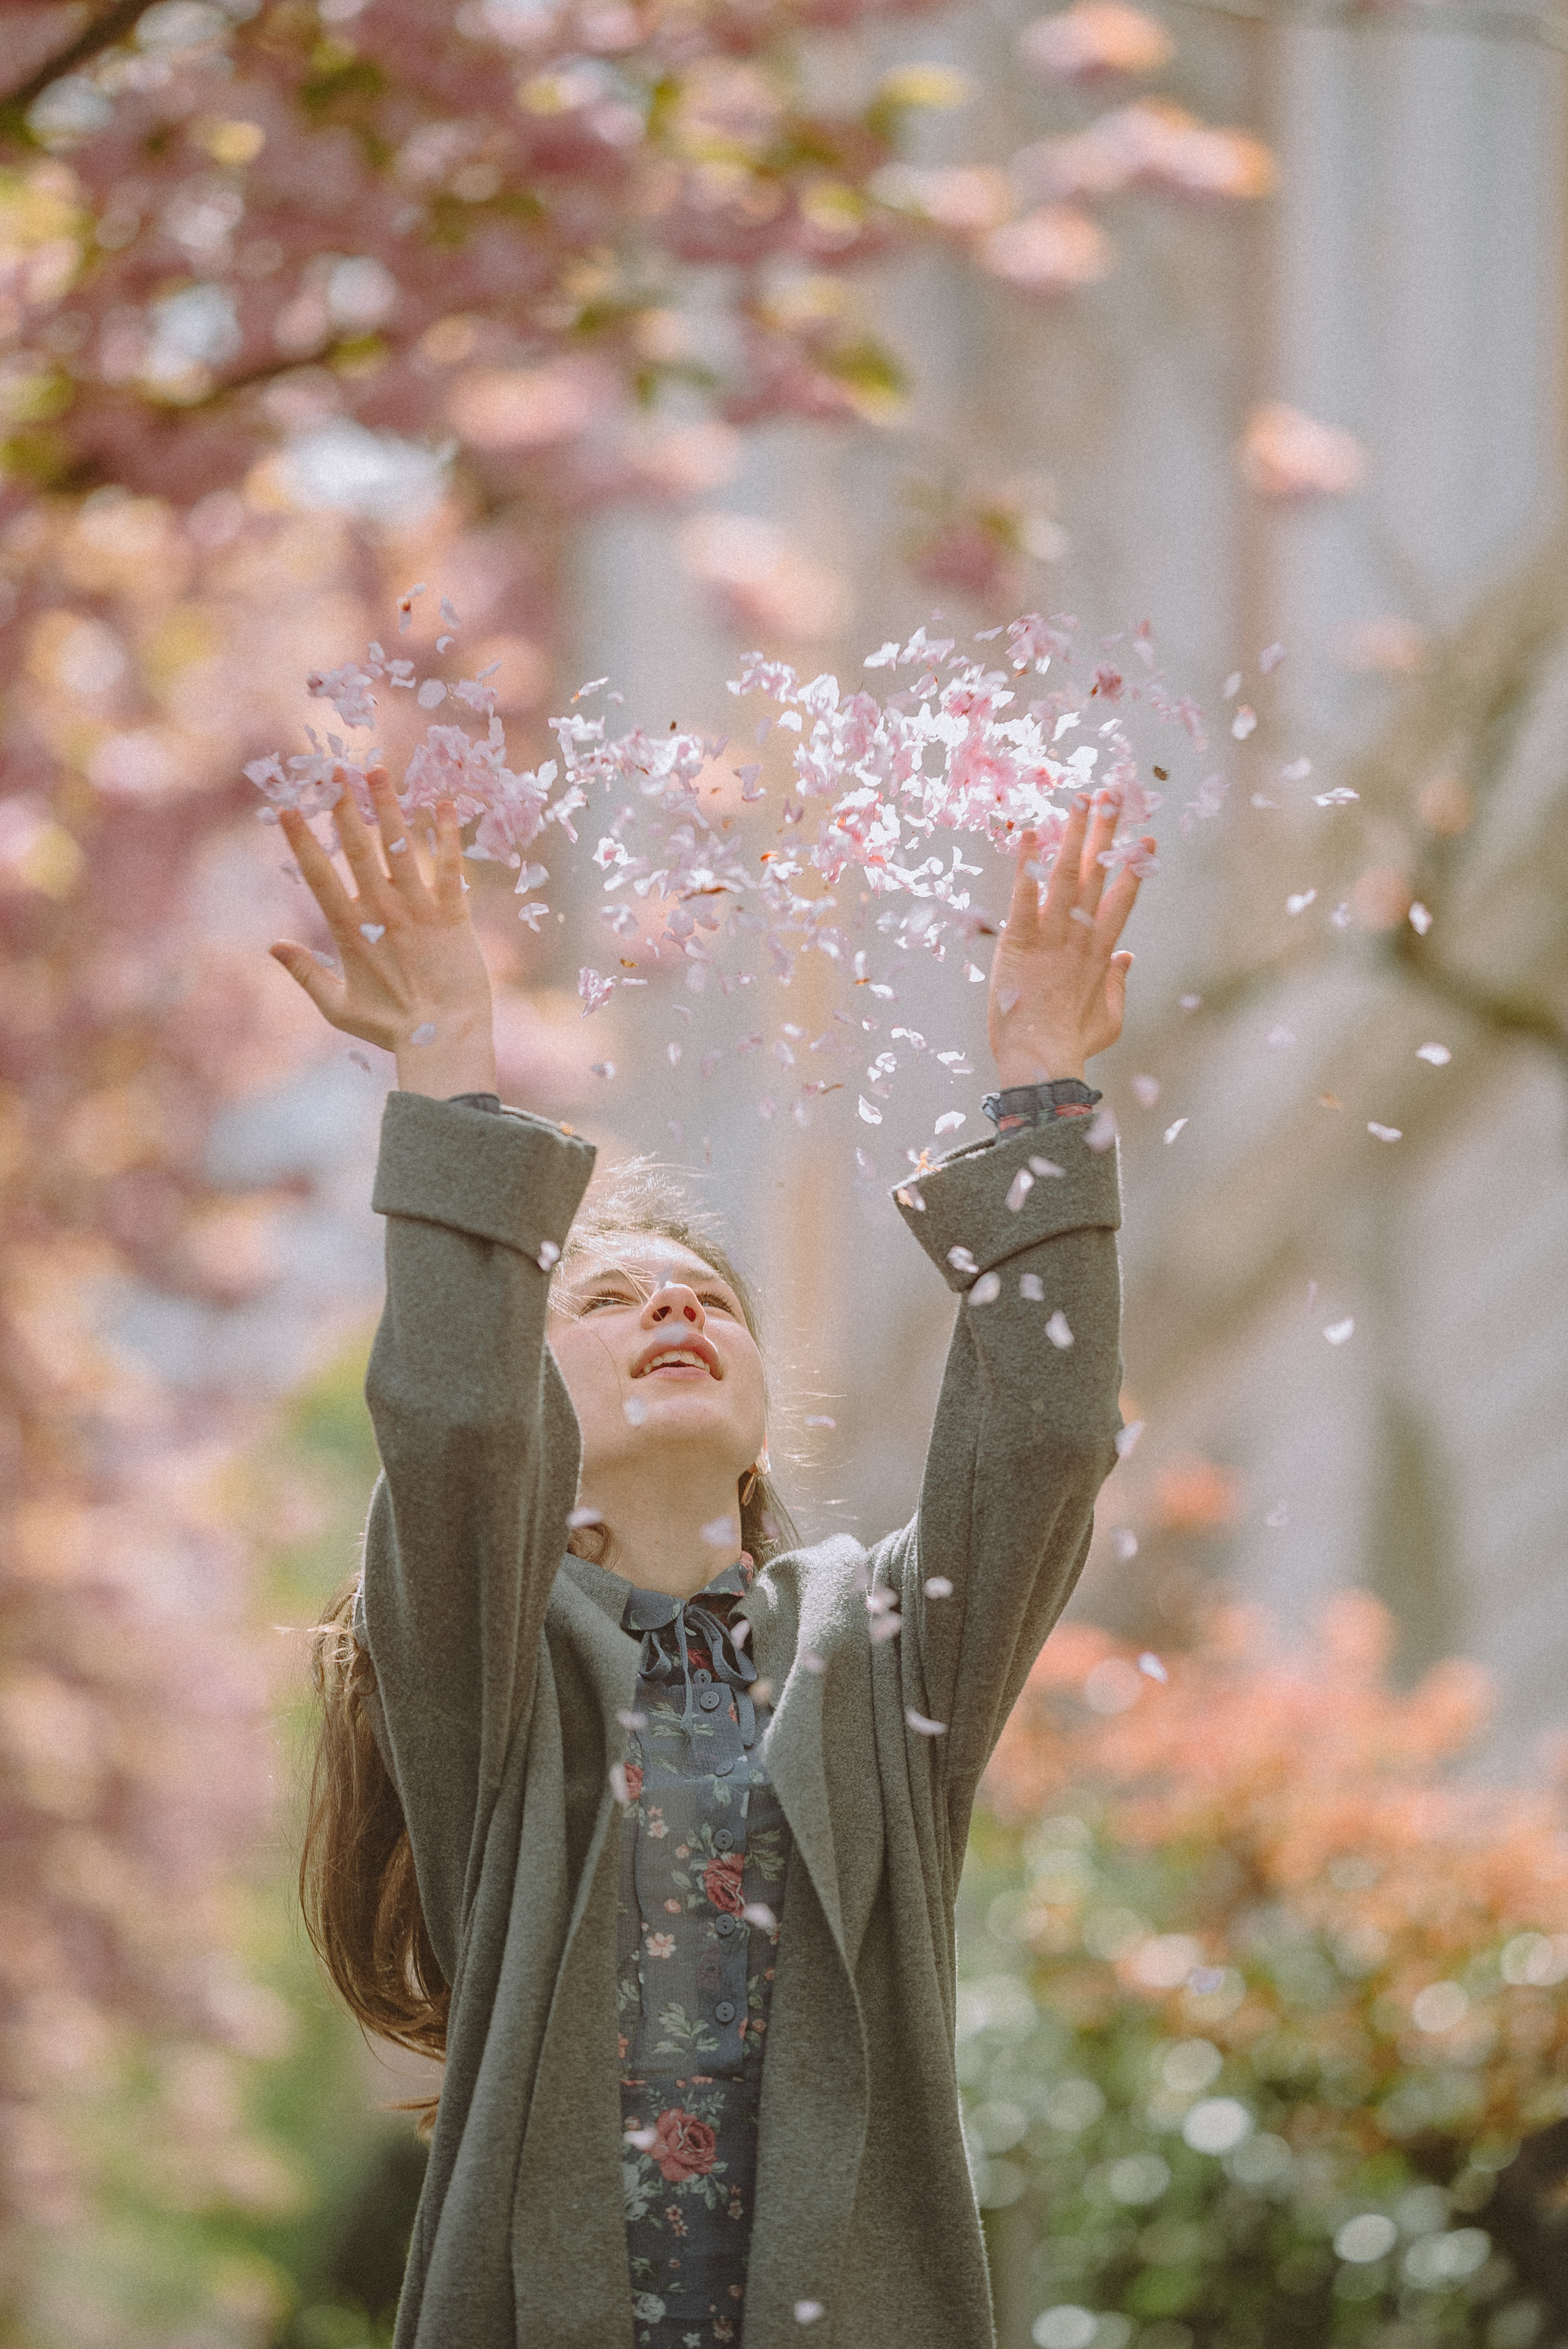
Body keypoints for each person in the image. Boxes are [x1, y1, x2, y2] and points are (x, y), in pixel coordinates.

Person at [276, 766, 1150, 2349]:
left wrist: (1040, 1094)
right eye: (605, 1303)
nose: (672, 1308)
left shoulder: (884, 1651)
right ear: (537, 1402)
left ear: (760, 1415)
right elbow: (454, 1424)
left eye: (708, 1298)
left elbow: (1039, 1449)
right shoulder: (486, 1654)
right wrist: (448, 1065)